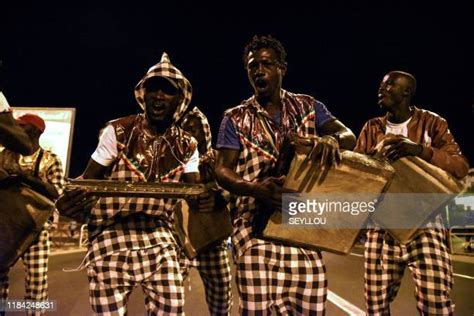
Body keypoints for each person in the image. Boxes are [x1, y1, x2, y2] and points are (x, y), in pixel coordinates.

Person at [57, 53, 212, 315]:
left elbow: (194, 191)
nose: (159, 96)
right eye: (153, 89)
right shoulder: (118, 131)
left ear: (180, 100)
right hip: (111, 231)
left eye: (167, 91)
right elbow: (87, 181)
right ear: (143, 95)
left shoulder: (188, 145)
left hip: (157, 233)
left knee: (172, 307)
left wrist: (206, 197)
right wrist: (68, 201)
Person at [214, 35, 356, 314]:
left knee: (310, 304)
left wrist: (331, 140)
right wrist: (255, 189)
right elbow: (222, 169)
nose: (258, 71)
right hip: (254, 227)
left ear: (282, 68)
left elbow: (348, 136)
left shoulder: (309, 107)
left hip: (302, 226)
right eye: (252, 66)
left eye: (266, 64)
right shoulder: (235, 117)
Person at [354, 70, 469, 315]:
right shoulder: (372, 128)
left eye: (389, 86)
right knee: (375, 304)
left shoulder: (433, 123)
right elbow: (356, 176)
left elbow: (460, 166)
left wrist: (419, 150)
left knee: (436, 301)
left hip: (425, 223)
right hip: (381, 226)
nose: (381, 90)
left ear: (406, 91)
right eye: (381, 86)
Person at [0, 113, 65, 314]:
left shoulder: (50, 159)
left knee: (37, 281)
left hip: (36, 229)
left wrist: (23, 177)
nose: (17, 129)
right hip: (6, 227)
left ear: (35, 130)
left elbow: (57, 191)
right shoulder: (4, 155)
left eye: (22, 126)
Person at [179, 106, 232, 315]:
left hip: (212, 239)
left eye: (196, 129)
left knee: (221, 303)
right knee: (169, 300)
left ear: (206, 132)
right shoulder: (175, 158)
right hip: (180, 241)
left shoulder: (218, 158)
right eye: (186, 129)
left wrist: (221, 198)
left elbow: (236, 187)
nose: (191, 133)